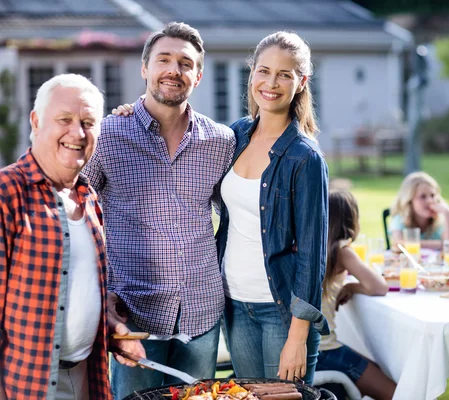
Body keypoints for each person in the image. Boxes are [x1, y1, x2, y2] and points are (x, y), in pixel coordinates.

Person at [82, 22, 236, 399]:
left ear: (198, 76)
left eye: (185, 63)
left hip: (201, 310)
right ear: (145, 68)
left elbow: (238, 213)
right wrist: (102, 293)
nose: (174, 70)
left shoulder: (221, 141)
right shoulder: (107, 136)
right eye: (163, 59)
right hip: (134, 313)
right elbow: (77, 215)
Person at [0, 74, 142, 400]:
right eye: (64, 119)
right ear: (36, 122)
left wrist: (111, 328)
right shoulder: (7, 193)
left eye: (88, 122)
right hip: (27, 385)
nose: (77, 133)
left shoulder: (88, 197)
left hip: (87, 376)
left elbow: (76, 291)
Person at [215, 31, 329, 384]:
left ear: (301, 82)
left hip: (280, 313)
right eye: (264, 71)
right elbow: (185, 137)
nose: (271, 83)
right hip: (234, 305)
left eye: (285, 74)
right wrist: (134, 112)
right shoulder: (235, 136)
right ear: (252, 74)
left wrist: (298, 336)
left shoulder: (305, 158)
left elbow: (312, 254)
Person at [316, 190, 396, 400]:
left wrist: (349, 286)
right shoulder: (341, 251)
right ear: (351, 219)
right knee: (396, 393)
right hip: (324, 350)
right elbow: (379, 286)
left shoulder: (315, 247)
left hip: (312, 348)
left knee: (376, 369)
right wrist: (353, 288)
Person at [389, 171, 449, 250]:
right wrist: (441, 244)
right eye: (423, 197)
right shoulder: (401, 219)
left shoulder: (440, 220)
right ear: (409, 201)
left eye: (432, 195)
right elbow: (399, 245)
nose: (430, 201)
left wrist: (448, 213)